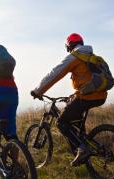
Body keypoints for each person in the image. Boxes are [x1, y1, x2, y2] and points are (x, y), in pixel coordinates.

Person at [31, 33, 107, 166]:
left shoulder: (75, 57)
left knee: (61, 123)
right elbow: (88, 81)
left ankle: (82, 149)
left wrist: (39, 91)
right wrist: (74, 95)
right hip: (100, 96)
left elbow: (54, 74)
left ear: (69, 46)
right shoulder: (91, 57)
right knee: (76, 124)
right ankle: (84, 153)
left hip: (87, 97)